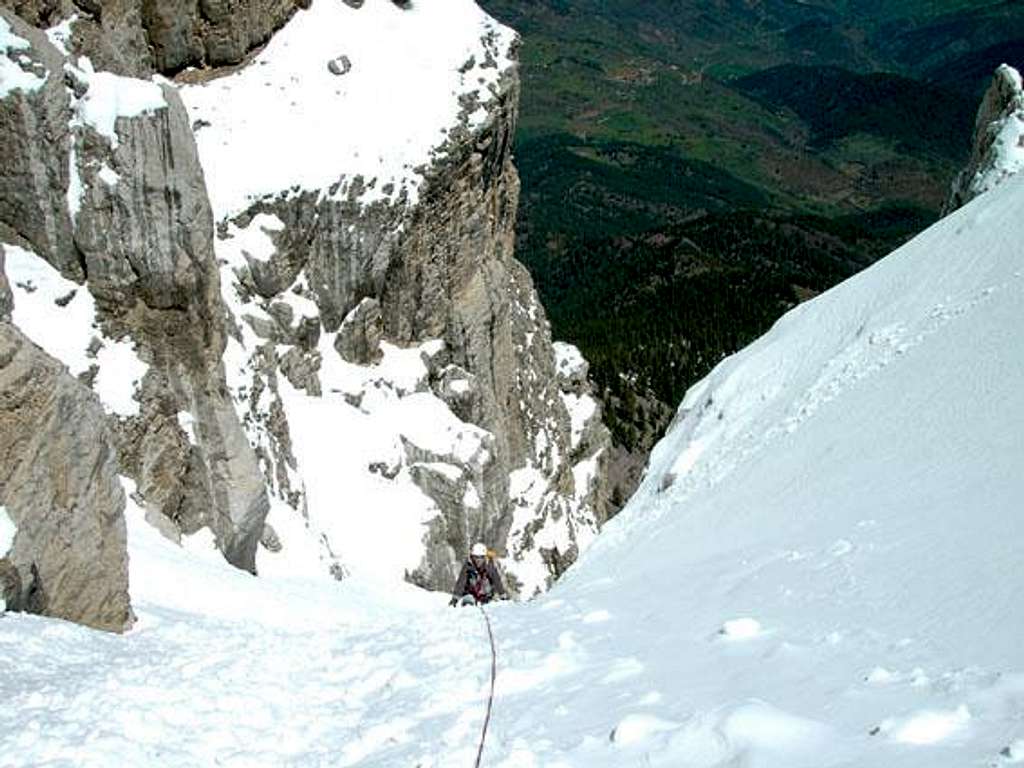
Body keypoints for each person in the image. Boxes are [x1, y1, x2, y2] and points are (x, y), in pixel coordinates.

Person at [449, 542, 507, 606]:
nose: (478, 560)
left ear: (484, 557)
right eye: (476, 557)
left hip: (486, 594)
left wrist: (502, 595)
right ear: (472, 557)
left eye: (481, 557)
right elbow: (461, 582)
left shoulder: (489, 566)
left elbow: (496, 580)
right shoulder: (468, 566)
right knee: (468, 602)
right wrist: (455, 598)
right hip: (470, 593)